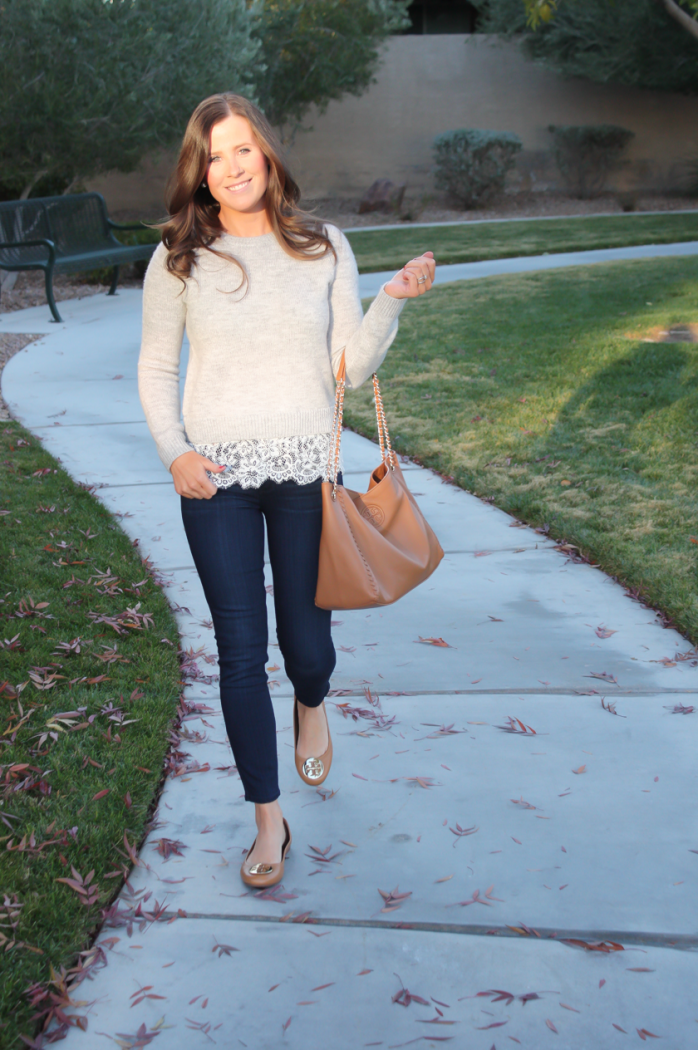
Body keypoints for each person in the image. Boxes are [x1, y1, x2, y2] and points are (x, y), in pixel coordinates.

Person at [138, 93, 435, 888]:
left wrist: (391, 303)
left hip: (308, 472)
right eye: (215, 156)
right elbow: (157, 368)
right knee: (239, 654)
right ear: (199, 173)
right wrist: (174, 454)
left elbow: (348, 366)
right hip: (217, 483)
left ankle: (312, 698)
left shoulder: (322, 246)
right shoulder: (177, 258)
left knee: (305, 646)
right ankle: (268, 821)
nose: (232, 167)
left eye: (243, 149)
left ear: (267, 155)